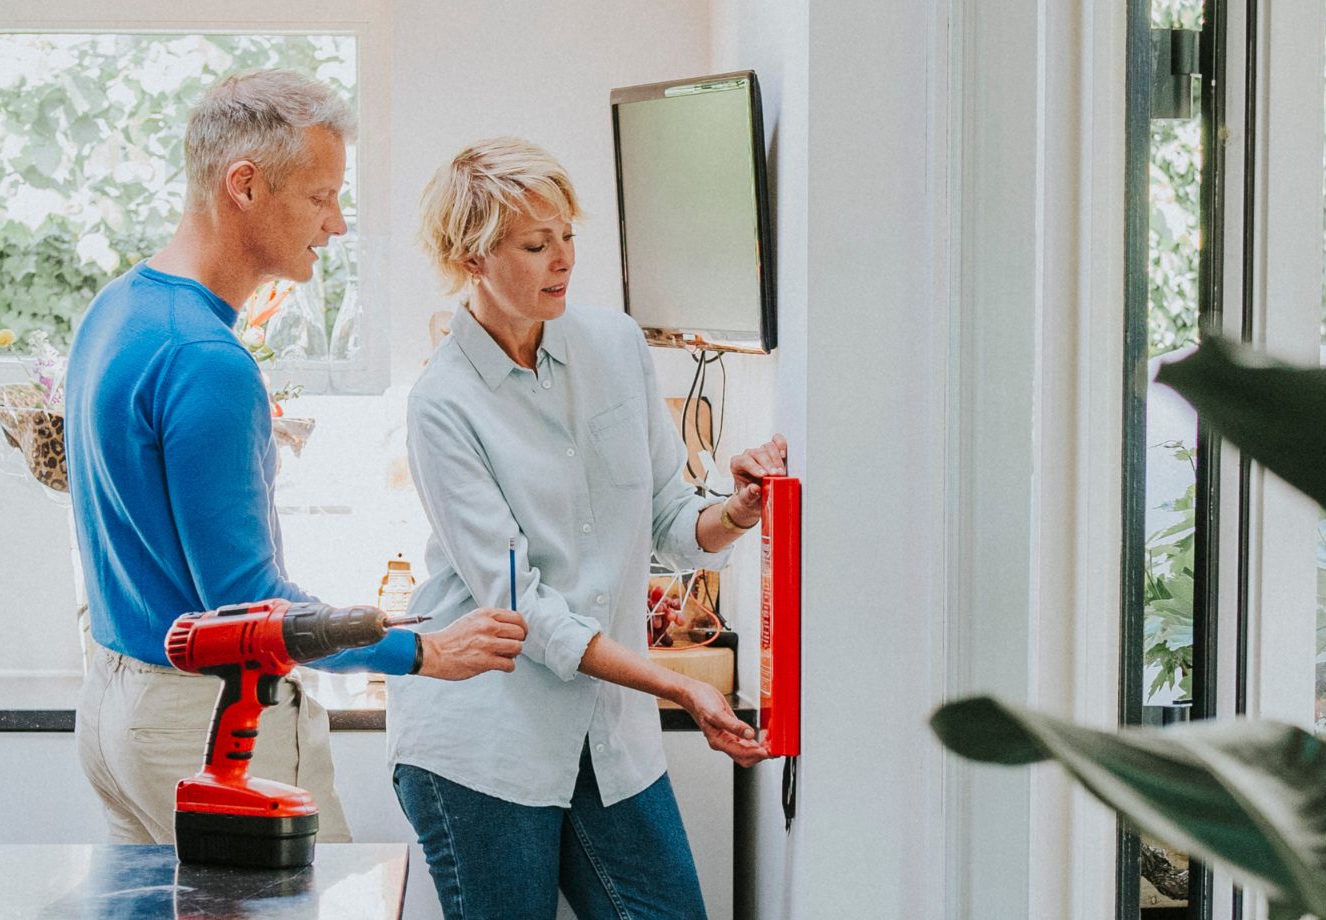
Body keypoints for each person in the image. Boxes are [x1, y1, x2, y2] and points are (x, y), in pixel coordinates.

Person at [65, 70, 530, 845]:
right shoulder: (206, 360)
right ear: (243, 185)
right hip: (206, 722)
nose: (336, 224)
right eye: (320, 196)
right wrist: (421, 650)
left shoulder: (119, 309)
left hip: (119, 707)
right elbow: (246, 601)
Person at [394, 136, 788, 920]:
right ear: (473, 258)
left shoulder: (615, 346)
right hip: (485, 746)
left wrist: (737, 511)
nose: (563, 259)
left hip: (608, 738)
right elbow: (523, 611)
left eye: (568, 235)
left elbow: (672, 523)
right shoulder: (443, 405)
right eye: (537, 245)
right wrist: (678, 685)